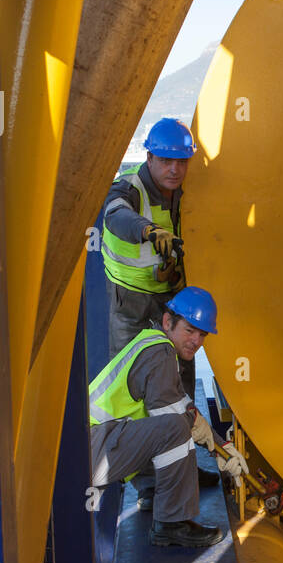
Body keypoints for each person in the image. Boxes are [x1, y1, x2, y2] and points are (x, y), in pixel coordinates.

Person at [87, 287, 248, 547]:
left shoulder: (156, 346)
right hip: (94, 450)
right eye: (189, 330)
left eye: (202, 334)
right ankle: (172, 523)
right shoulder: (159, 353)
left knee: (178, 421)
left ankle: (164, 506)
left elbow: (182, 405)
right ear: (167, 322)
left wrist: (223, 446)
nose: (195, 341)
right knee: (175, 427)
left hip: (100, 444)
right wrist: (213, 447)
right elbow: (175, 420)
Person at [102, 117, 197, 401]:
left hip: (171, 296)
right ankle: (132, 433)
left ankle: (184, 425)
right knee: (128, 370)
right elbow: (115, 214)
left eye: (182, 162)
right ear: (149, 157)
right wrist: (148, 230)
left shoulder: (190, 194)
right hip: (130, 300)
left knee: (180, 366)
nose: (175, 169)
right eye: (167, 160)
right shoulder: (130, 187)